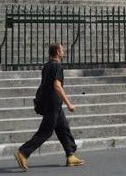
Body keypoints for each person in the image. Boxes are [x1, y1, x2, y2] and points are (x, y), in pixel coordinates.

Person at [15, 43, 85, 171]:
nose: (63, 52)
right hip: (53, 104)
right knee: (45, 132)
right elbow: (57, 86)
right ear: (58, 52)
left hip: (51, 103)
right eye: (62, 50)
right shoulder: (57, 66)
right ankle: (23, 152)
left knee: (63, 128)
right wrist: (69, 103)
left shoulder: (47, 66)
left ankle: (70, 155)